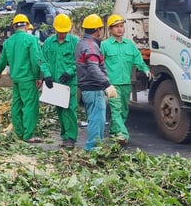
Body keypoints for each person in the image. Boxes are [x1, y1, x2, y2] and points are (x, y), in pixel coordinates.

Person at [0, 14, 52, 143]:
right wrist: (38, 77)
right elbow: (36, 60)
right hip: (28, 79)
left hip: (16, 79)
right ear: (26, 26)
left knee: (17, 105)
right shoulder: (31, 40)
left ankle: (19, 132)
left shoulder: (8, 42)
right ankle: (28, 135)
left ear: (14, 26)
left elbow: (2, 60)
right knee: (30, 106)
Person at [100, 14, 151, 146]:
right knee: (116, 109)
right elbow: (100, 64)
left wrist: (145, 69)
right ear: (110, 29)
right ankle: (123, 135)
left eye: (121, 26)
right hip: (112, 84)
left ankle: (113, 131)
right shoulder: (105, 45)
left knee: (124, 110)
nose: (119, 29)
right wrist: (103, 80)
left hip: (125, 84)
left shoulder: (129, 44)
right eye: (116, 27)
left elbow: (137, 59)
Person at [75, 13, 117, 151]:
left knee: (93, 118)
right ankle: (93, 148)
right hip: (93, 87)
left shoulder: (81, 43)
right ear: (98, 30)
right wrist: (106, 84)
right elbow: (93, 67)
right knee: (97, 120)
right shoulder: (91, 46)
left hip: (86, 87)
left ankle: (94, 147)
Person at [41, 14, 79, 149]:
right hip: (55, 83)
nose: (62, 34)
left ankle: (71, 138)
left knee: (70, 109)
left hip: (69, 83)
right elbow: (43, 60)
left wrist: (70, 71)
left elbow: (80, 60)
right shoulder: (48, 43)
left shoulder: (74, 42)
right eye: (59, 31)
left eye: (64, 31)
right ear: (55, 29)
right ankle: (64, 136)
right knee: (60, 110)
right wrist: (47, 75)